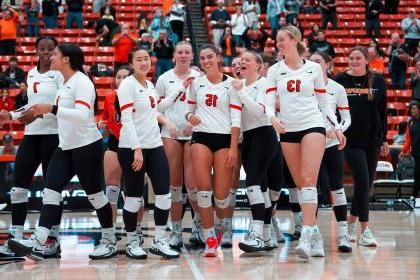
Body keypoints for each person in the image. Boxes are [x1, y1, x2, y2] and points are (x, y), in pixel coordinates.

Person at [8, 43, 117, 261]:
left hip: (86, 146)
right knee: (51, 191)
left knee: (95, 196)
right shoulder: (64, 82)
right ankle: (39, 242)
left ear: (66, 59)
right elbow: (45, 108)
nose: (52, 57)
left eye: (56, 53)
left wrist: (52, 109)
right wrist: (13, 115)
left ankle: (109, 240)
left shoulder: (82, 82)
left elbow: (83, 114)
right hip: (65, 146)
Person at [265, 25, 345, 259]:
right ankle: (316, 235)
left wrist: (336, 128)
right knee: (301, 186)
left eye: (282, 40)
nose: (279, 44)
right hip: (287, 129)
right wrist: (272, 119)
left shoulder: (313, 69)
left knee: (309, 181)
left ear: (295, 40)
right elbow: (269, 102)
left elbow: (323, 103)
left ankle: (306, 236)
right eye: (277, 40)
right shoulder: (274, 70)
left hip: (313, 125)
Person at [0, 37, 63, 259]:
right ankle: (15, 239)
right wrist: (12, 114)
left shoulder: (60, 74)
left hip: (54, 137)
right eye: (42, 49)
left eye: (50, 49)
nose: (46, 53)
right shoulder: (31, 73)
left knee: (51, 191)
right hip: (32, 136)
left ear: (55, 51)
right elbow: (31, 105)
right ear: (36, 50)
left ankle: (52, 241)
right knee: (18, 189)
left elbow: (60, 105)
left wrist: (38, 113)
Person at [117, 48, 179, 259]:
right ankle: (132, 241)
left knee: (164, 195)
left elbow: (155, 109)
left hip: (154, 146)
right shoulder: (127, 85)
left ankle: (160, 241)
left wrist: (177, 93)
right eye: (139, 59)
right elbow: (126, 119)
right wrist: (137, 149)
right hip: (132, 149)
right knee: (134, 198)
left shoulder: (149, 84)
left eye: (146, 59)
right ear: (131, 64)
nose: (144, 62)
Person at [185, 44, 241, 257]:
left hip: (225, 139)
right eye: (202, 58)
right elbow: (189, 112)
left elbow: (236, 118)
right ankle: (209, 238)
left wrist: (234, 147)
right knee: (203, 192)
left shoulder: (231, 85)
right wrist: (191, 117)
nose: (206, 61)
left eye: (210, 57)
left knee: (221, 196)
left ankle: (218, 229)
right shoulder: (196, 84)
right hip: (200, 138)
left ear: (218, 58)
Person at [335, 46, 388, 247]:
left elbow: (382, 110)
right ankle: (365, 231)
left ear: (367, 60)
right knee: (363, 180)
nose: (354, 61)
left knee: (365, 184)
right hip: (350, 139)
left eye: (358, 58)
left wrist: (384, 138)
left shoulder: (378, 81)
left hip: (372, 139)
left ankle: (350, 224)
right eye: (351, 57)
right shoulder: (340, 80)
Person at [231, 50, 282, 252]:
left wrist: (241, 92)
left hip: (265, 134)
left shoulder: (265, 83)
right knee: (261, 187)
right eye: (240, 59)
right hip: (248, 138)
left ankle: (257, 234)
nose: (242, 61)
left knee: (252, 183)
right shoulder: (237, 85)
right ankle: (267, 237)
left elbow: (261, 111)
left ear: (259, 65)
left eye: (247, 59)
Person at [155, 41, 203, 249]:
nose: (183, 55)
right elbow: (157, 108)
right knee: (175, 186)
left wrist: (194, 125)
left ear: (192, 56)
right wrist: (169, 124)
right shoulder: (164, 79)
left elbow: (205, 106)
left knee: (193, 186)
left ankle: (198, 227)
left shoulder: (199, 78)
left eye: (187, 52)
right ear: (174, 55)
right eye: (180, 52)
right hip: (170, 133)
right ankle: (175, 232)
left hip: (193, 133)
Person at [310, 51, 352, 253]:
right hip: (311, 143)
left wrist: (336, 130)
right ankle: (313, 235)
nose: (314, 64)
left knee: (337, 187)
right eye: (311, 61)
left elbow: (346, 117)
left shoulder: (337, 88)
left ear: (328, 64)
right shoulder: (306, 87)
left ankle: (343, 234)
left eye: (318, 61)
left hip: (332, 142)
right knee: (312, 189)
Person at [98, 66, 146, 241]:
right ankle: (109, 233)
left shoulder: (141, 95)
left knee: (135, 192)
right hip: (114, 143)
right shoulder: (110, 97)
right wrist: (102, 126)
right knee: (111, 190)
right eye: (118, 76)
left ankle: (137, 230)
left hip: (135, 145)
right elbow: (105, 119)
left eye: (125, 76)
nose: (121, 79)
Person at [220, 57, 242, 248]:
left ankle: (268, 224)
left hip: (254, 135)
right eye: (234, 64)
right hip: (231, 136)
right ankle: (227, 225)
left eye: (241, 64)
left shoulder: (256, 84)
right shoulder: (226, 85)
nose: (238, 67)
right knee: (231, 182)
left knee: (262, 183)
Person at [401, 101, 419, 203]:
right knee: (417, 175)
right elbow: (408, 139)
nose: (412, 110)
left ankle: (414, 195)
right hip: (416, 153)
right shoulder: (410, 122)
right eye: (411, 108)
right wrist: (403, 150)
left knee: (417, 175)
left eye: (414, 108)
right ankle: (414, 197)